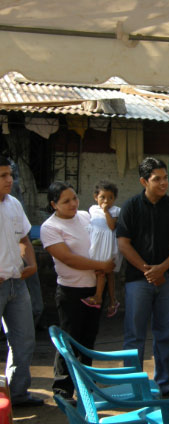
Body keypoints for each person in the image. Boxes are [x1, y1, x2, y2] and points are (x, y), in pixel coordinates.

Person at [116, 157, 169, 397]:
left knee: (165, 334)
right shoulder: (131, 207)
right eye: (157, 179)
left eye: (165, 178)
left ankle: (164, 383)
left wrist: (163, 270)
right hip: (138, 281)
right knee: (134, 336)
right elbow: (124, 244)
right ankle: (133, 387)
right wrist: (149, 270)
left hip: (166, 281)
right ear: (143, 181)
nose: (163, 183)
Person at [40, 181, 114, 402]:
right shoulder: (50, 227)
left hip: (95, 288)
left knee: (88, 340)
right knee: (69, 340)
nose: (73, 203)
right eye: (66, 201)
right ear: (54, 204)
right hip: (71, 291)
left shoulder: (85, 216)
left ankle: (86, 385)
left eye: (74, 198)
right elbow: (67, 258)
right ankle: (63, 389)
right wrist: (101, 265)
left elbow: (103, 237)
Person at [0, 156, 43, 406]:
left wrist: (32, 263)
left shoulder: (14, 204)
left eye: (10, 175)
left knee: (24, 339)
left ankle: (17, 394)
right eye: (3, 176)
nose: (9, 180)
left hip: (17, 282)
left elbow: (24, 238)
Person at [80, 181, 121, 317]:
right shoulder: (92, 209)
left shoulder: (115, 210)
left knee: (105, 272)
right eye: (103, 197)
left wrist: (106, 211)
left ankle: (100, 297)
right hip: (96, 244)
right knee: (102, 272)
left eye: (110, 198)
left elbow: (111, 226)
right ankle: (112, 301)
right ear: (95, 197)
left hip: (107, 245)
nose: (106, 201)